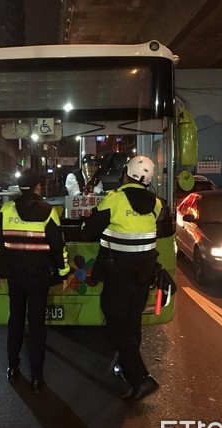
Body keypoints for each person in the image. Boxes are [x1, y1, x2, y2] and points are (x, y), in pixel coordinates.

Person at [82, 155, 162, 402]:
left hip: (118, 275)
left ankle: (140, 378)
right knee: (132, 323)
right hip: (143, 275)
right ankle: (129, 372)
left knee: (116, 327)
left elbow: (89, 230)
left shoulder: (114, 200)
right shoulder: (157, 204)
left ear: (126, 174)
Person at [0, 169, 70, 393]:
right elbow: (58, 248)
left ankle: (13, 368)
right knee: (37, 326)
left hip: (15, 277)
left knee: (15, 321)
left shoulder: (6, 211)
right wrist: (64, 272)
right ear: (37, 186)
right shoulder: (49, 212)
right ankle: (37, 377)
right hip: (39, 278)